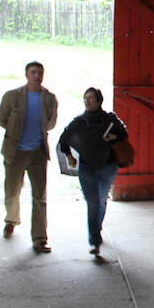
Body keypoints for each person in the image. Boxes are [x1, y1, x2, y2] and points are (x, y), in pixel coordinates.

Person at [0, 60, 58, 253]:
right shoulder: (12, 96)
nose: (36, 75)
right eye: (33, 72)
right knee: (12, 191)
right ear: (26, 75)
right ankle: (11, 220)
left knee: (39, 196)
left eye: (39, 72)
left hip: (38, 152)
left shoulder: (49, 98)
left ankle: (40, 238)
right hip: (15, 151)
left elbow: (51, 123)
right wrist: (15, 130)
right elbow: (0, 119)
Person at [58, 88, 128, 256]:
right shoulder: (80, 122)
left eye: (90, 98)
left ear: (99, 101)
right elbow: (63, 140)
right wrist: (69, 157)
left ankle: (97, 227)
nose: (87, 101)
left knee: (101, 201)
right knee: (93, 203)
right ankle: (94, 241)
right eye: (85, 98)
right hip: (87, 167)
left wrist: (113, 137)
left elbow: (124, 134)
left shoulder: (109, 119)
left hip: (108, 166)